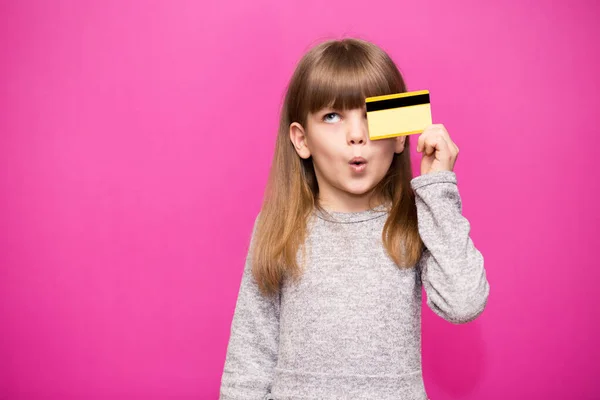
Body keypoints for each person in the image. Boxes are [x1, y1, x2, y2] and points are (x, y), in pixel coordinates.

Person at [219, 37, 490, 400]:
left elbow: (464, 302)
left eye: (370, 117)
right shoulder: (278, 226)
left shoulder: (414, 220)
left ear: (397, 137)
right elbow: (249, 358)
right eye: (332, 116)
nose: (356, 136)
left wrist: (437, 188)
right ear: (302, 140)